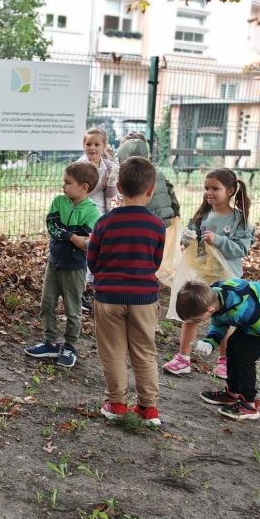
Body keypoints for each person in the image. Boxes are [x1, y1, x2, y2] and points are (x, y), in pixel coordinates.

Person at [87, 156, 167, 426]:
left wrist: (102, 278)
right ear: (151, 189)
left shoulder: (103, 223)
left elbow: (92, 259)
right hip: (144, 298)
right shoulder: (157, 225)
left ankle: (117, 404)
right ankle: (148, 409)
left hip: (108, 297)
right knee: (145, 351)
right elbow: (155, 262)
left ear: (118, 187)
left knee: (112, 351)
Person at [163, 168, 253, 378]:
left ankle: (225, 360)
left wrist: (219, 240)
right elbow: (193, 246)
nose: (209, 192)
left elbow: (242, 249)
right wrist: (186, 240)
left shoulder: (239, 220)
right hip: (201, 277)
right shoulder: (201, 215)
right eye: (206, 188)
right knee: (191, 314)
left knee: (224, 320)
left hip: (226, 280)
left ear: (230, 191)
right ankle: (183, 359)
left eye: (215, 188)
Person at [176, 279, 260, 421]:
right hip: (257, 313)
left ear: (209, 310)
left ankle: (249, 404)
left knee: (243, 353)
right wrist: (209, 343)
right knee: (232, 344)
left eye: (197, 320)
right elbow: (220, 323)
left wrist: (245, 335)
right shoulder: (212, 298)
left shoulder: (241, 309)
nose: (198, 322)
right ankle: (233, 392)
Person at [24, 161, 101, 368]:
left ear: (83, 187)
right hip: (54, 263)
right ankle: (50, 342)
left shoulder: (93, 213)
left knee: (72, 308)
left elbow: (86, 241)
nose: (63, 186)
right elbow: (52, 226)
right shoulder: (59, 202)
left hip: (74, 268)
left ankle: (70, 346)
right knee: (47, 303)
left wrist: (75, 238)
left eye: (68, 183)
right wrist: (71, 237)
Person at [78, 127, 120, 312]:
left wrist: (111, 182)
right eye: (88, 144)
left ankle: (96, 287)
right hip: (83, 212)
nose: (92, 148)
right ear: (83, 145)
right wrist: (101, 184)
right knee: (87, 248)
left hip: (103, 213)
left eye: (96, 144)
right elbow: (79, 193)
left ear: (104, 146)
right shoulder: (80, 166)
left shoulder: (108, 166)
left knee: (101, 250)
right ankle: (81, 290)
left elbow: (110, 194)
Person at [116, 132, 180, 225]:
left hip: (147, 223)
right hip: (163, 222)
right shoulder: (157, 172)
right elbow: (173, 202)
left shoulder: (135, 175)